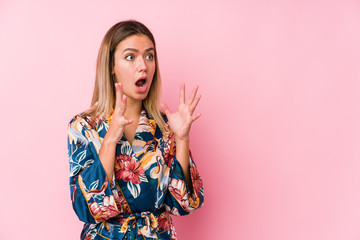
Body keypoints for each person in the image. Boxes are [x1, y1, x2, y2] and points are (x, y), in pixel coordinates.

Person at [67, 20, 204, 240]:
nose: (143, 65)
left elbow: (182, 205)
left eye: (149, 56)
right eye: (130, 57)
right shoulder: (83, 127)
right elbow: (84, 208)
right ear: (111, 66)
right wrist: (111, 137)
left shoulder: (165, 126)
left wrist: (181, 138)